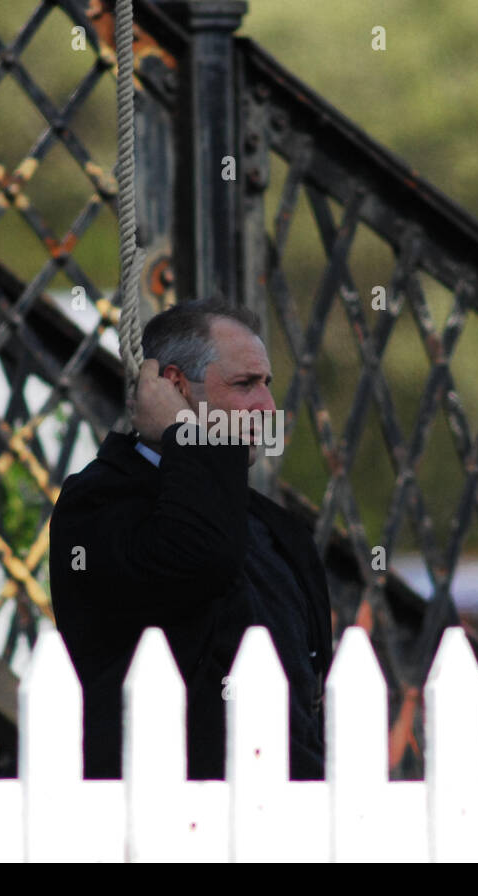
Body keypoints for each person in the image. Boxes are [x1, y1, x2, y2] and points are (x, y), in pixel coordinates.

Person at [49, 297, 332, 780]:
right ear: (174, 387)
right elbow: (201, 558)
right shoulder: (98, 505)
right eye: (244, 385)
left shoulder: (274, 525)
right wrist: (185, 431)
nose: (266, 407)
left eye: (266, 385)